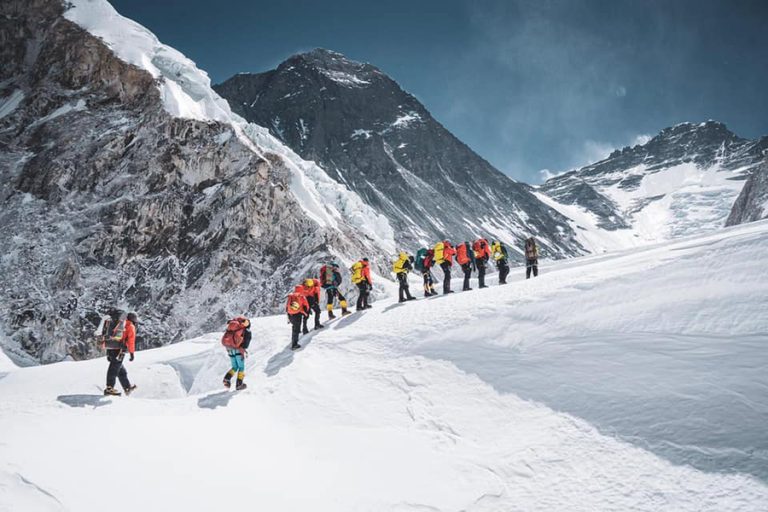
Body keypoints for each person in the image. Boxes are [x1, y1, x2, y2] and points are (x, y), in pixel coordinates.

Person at [103, 312, 137, 396]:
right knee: (114, 368)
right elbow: (131, 341)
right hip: (119, 351)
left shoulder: (121, 324)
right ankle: (109, 388)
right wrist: (131, 353)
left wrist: (108, 352)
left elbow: (113, 336)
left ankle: (127, 387)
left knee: (120, 370)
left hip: (112, 349)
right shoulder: (130, 326)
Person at [221, 316, 251, 390]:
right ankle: (239, 384)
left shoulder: (232, 328)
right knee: (241, 367)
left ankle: (226, 379)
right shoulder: (245, 330)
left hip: (230, 349)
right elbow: (246, 343)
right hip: (238, 350)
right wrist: (243, 348)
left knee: (234, 367)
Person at [286, 285, 310, 350]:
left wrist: (288, 314)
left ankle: (294, 340)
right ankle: (294, 344)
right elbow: (306, 306)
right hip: (297, 314)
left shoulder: (291, 296)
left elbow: (287, 306)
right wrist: (306, 313)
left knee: (294, 327)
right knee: (296, 329)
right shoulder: (301, 296)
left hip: (291, 314)